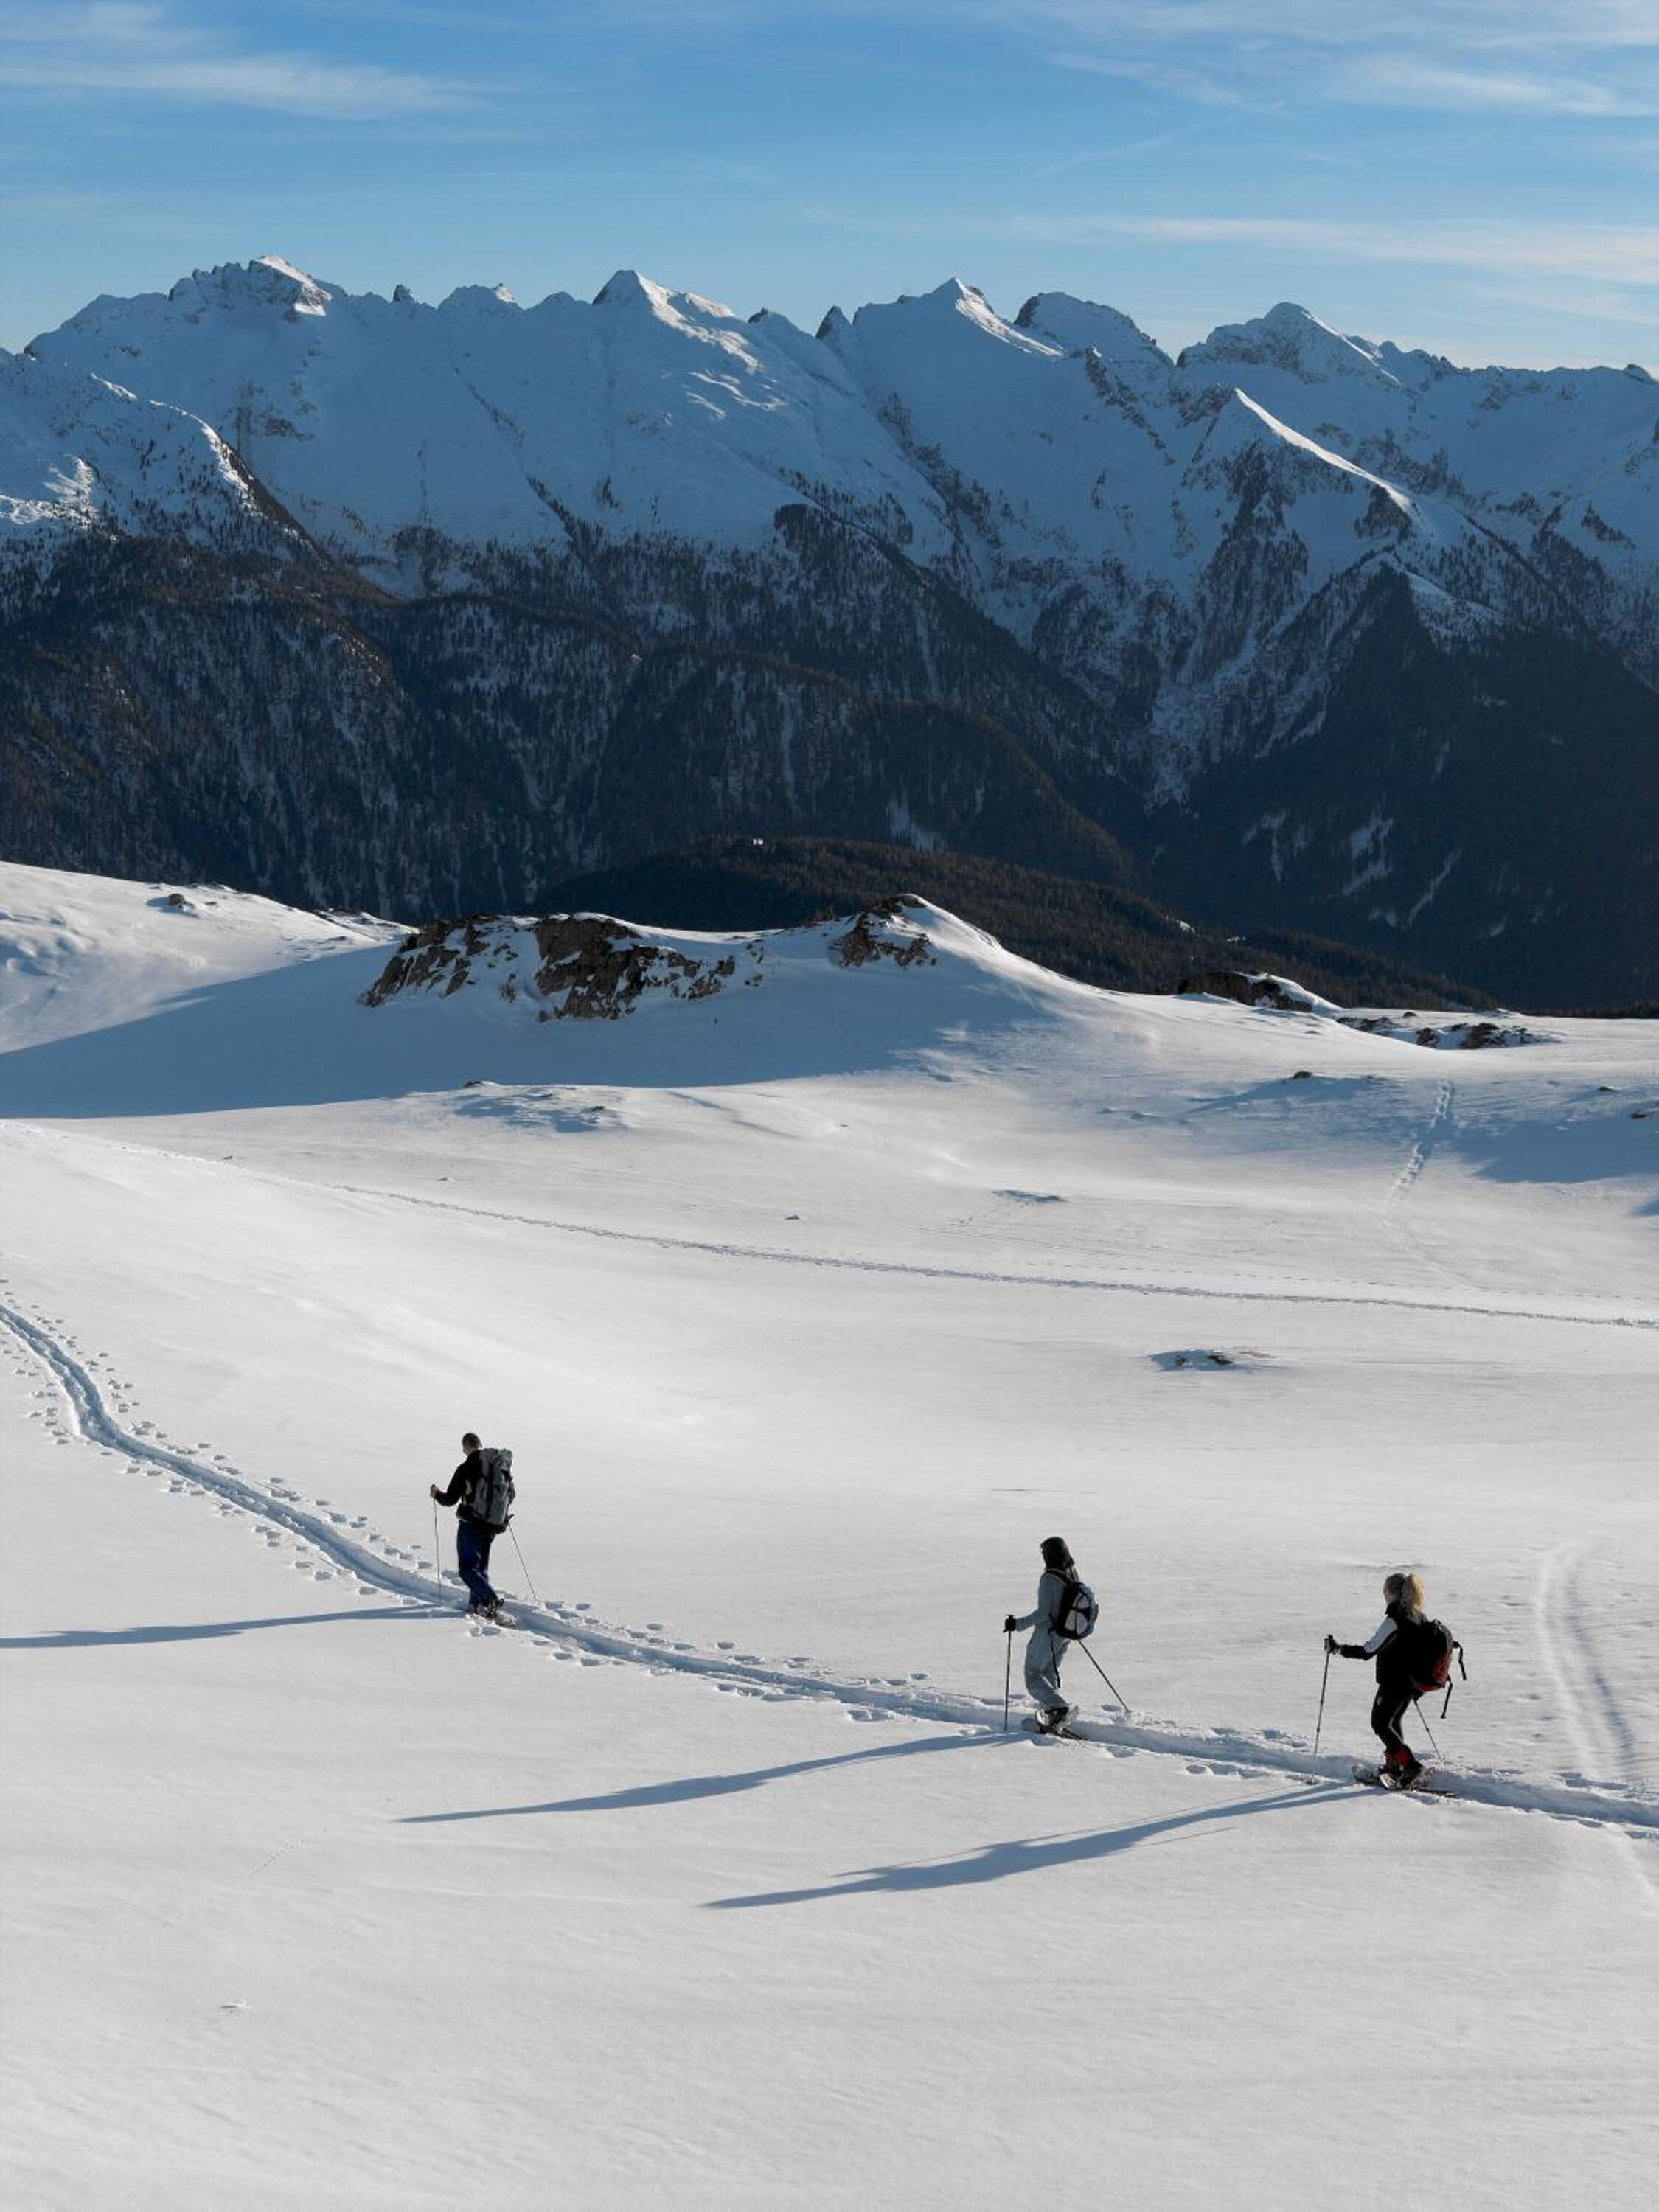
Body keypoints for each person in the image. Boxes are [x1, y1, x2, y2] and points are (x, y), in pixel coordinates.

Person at [1327, 1569, 1428, 1786]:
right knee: (1392, 1722)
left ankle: (1410, 1766)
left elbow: (1368, 1650)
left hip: (1395, 1682)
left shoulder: (1395, 1619)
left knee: (1380, 1724)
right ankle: (1395, 1767)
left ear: (1392, 1594)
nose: (1384, 1596)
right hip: (1411, 1683)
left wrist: (1338, 1649)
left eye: (1385, 1592)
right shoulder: (1418, 1615)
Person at [1004, 1535, 1079, 1733]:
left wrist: (1017, 1624)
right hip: (1064, 1635)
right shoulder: (1070, 1574)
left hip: (1047, 1634)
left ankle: (1058, 1709)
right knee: (1047, 1674)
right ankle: (1051, 1715)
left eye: (1044, 1552)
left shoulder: (1049, 1578)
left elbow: (1043, 1613)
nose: (1043, 1555)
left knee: (1033, 1676)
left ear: (1050, 1554)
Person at [430, 1431, 504, 1620]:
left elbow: (450, 1499)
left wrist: (436, 1494)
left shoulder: (465, 1467)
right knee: (480, 1568)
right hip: (492, 1525)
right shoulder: (496, 1466)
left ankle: (490, 1600)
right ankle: (476, 1606)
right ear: (480, 1444)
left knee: (467, 1569)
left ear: (465, 1447)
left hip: (471, 1524)